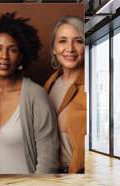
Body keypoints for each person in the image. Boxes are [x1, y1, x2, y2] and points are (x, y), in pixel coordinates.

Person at [0, 12, 59, 174]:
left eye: (12, 50)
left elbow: (49, 160)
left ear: (21, 57)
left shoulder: (35, 95)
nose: (4, 56)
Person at [44, 16, 86, 173]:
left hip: (75, 172)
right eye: (62, 41)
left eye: (78, 41)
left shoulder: (92, 85)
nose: (70, 48)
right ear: (54, 48)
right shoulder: (49, 84)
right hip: (49, 171)